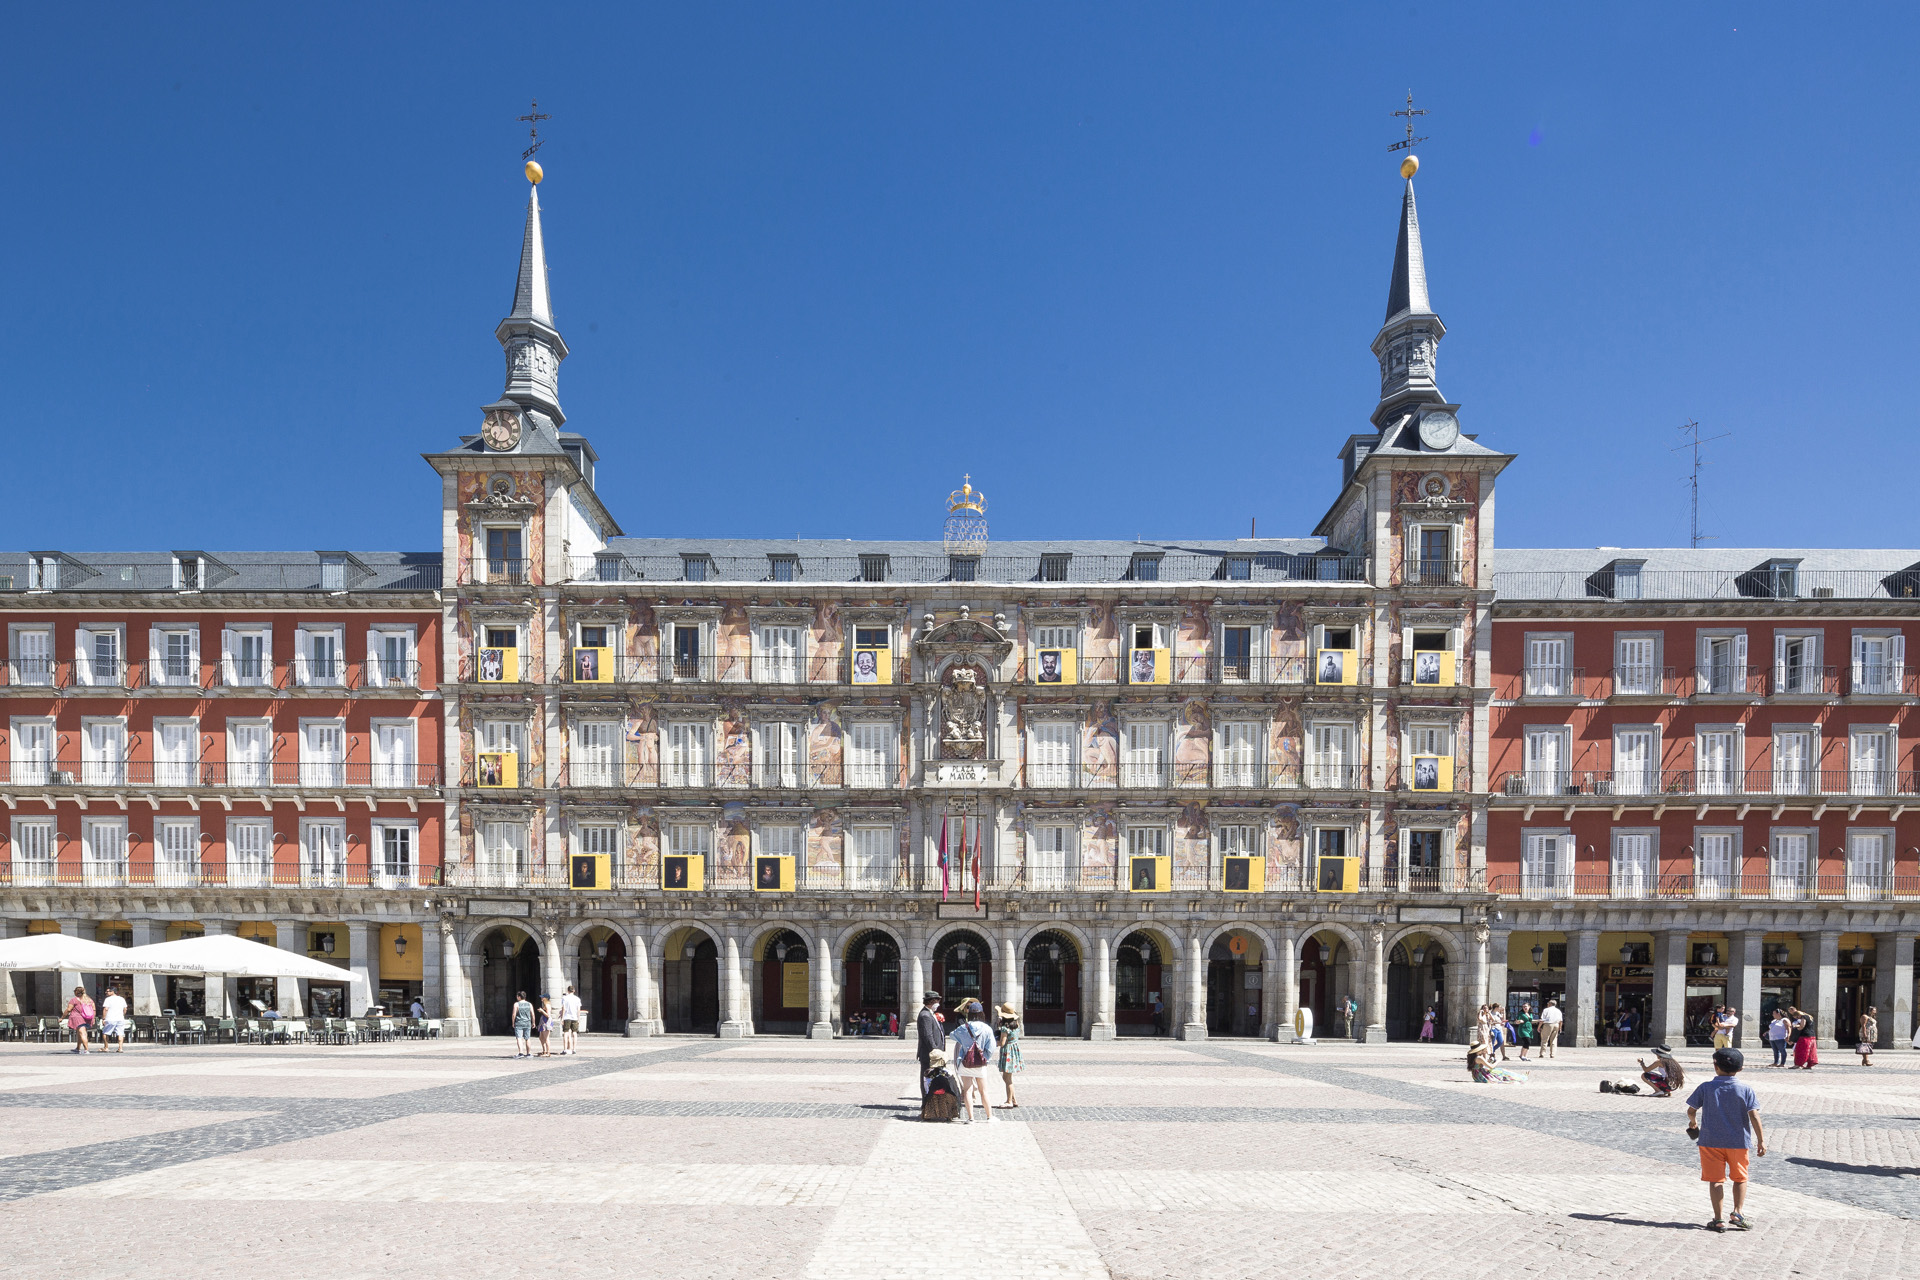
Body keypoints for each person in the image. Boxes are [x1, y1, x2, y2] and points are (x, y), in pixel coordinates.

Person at [1686, 1047, 1765, 1232]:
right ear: (1741, 1068)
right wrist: (1761, 1140)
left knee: (1716, 1180)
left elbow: (1691, 1110)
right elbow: (1754, 1115)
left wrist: (1693, 1122)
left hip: (1710, 1142)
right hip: (1738, 1142)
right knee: (1740, 1178)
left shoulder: (1705, 1087)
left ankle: (1718, 1218)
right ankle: (1737, 1212)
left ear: (1715, 1066)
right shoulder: (1745, 1089)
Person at [950, 998, 997, 1123]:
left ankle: (971, 1118)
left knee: (967, 1090)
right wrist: (985, 1058)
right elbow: (991, 1047)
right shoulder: (987, 1028)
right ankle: (989, 1117)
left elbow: (952, 1035)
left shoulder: (963, 1027)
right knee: (984, 1091)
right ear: (982, 1013)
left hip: (966, 1062)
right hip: (980, 1064)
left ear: (969, 1013)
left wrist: (964, 1042)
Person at [915, 992, 944, 1096]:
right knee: (927, 1079)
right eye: (937, 1001)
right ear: (931, 1001)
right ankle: (927, 1100)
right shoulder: (925, 1015)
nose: (938, 1004)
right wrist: (935, 1051)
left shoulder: (931, 1014)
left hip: (935, 1053)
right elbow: (928, 1036)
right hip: (929, 1054)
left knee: (934, 1078)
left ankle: (933, 1099)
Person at [995, 1003, 1024, 1107]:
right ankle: (1014, 1099)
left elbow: (1002, 1043)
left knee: (1007, 1079)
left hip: (1007, 1052)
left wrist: (992, 1043)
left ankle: (1009, 1101)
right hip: (1014, 1052)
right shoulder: (1016, 1025)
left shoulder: (1005, 1028)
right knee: (1007, 1077)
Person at [63, 985, 95, 1055]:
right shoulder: (89, 1000)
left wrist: (62, 1017)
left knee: (83, 1033)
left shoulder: (74, 1000)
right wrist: (93, 1018)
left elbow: (68, 1009)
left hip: (78, 1018)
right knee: (80, 1033)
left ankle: (86, 1050)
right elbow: (94, 1009)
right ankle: (78, 1048)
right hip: (87, 1018)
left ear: (76, 992)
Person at [98, 987, 129, 1054]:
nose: (106, 993)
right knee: (120, 1033)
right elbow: (125, 1009)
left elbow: (105, 1009)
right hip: (120, 1019)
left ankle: (106, 1047)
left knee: (106, 1032)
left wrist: (103, 1018)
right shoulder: (122, 999)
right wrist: (122, 1015)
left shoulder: (108, 999)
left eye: (108, 991)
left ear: (112, 992)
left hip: (110, 1018)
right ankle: (120, 1048)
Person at [560, 985, 583, 1055]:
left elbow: (563, 1009)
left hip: (567, 1017)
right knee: (574, 1033)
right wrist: (578, 1018)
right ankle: (574, 1049)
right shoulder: (577, 999)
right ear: (574, 991)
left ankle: (565, 1049)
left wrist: (562, 1018)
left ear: (568, 991)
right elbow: (578, 1010)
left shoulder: (564, 998)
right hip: (574, 1017)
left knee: (565, 1032)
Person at [511, 990, 534, 1058]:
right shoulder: (529, 1004)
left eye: (517, 996)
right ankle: (528, 1053)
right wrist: (533, 1022)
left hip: (519, 1023)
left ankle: (521, 1053)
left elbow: (514, 1014)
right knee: (527, 1038)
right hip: (527, 1023)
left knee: (519, 1038)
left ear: (519, 997)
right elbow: (532, 1014)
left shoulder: (516, 1004)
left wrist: (513, 1022)